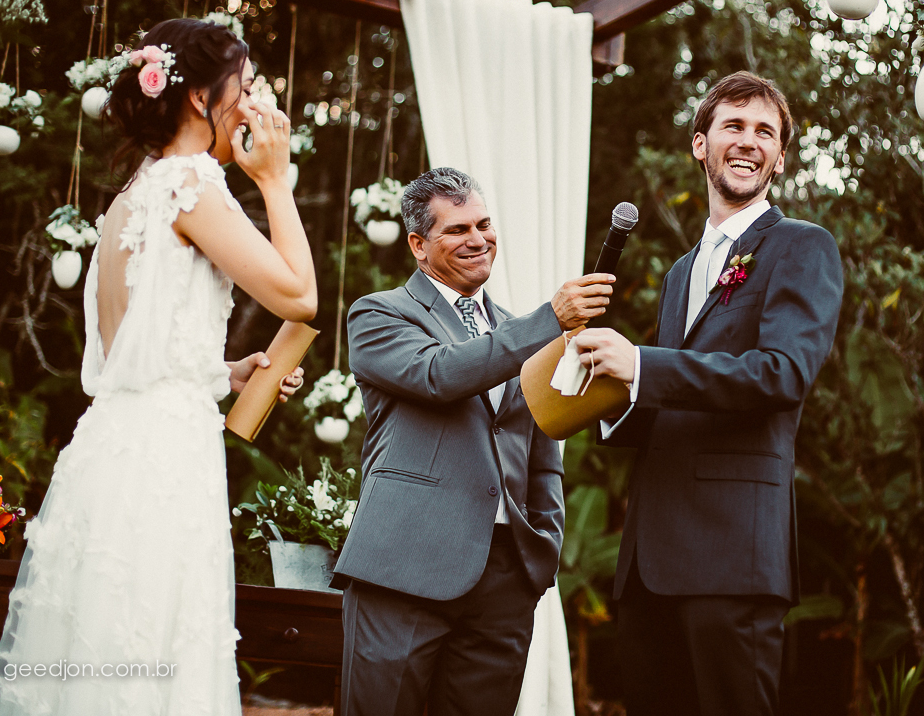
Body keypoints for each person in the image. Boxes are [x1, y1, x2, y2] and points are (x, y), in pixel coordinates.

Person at [0, 18, 316, 716]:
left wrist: (225, 372)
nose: (252, 103)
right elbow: (299, 295)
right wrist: (274, 181)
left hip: (110, 449)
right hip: (165, 459)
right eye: (244, 86)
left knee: (103, 645)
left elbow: (131, 354)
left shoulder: (127, 199)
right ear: (199, 97)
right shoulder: (192, 182)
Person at [574, 72, 843, 716]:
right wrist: (610, 395)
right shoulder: (679, 273)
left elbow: (782, 373)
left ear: (781, 157)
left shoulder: (802, 246)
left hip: (732, 553)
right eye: (734, 126)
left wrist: (642, 365)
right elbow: (670, 395)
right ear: (701, 144)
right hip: (649, 561)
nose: (749, 142)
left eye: (765, 132)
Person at [331, 167, 613, 716]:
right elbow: (440, 374)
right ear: (418, 244)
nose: (478, 239)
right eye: (457, 229)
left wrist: (542, 545)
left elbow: (542, 449)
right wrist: (549, 320)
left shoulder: (520, 330)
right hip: (404, 565)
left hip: (506, 579)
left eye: (484, 224)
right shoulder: (379, 313)